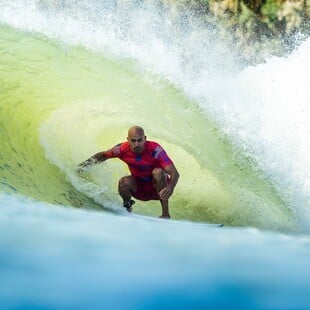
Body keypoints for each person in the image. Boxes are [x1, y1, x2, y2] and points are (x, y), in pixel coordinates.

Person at [78, 126, 179, 219]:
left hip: (158, 190)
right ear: (128, 140)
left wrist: (170, 188)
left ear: (145, 138)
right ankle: (127, 209)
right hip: (138, 189)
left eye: (140, 140)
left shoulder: (155, 150)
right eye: (133, 141)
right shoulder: (122, 149)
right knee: (124, 182)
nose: (137, 144)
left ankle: (165, 214)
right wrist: (83, 166)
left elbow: (174, 172)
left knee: (158, 172)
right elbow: (103, 155)